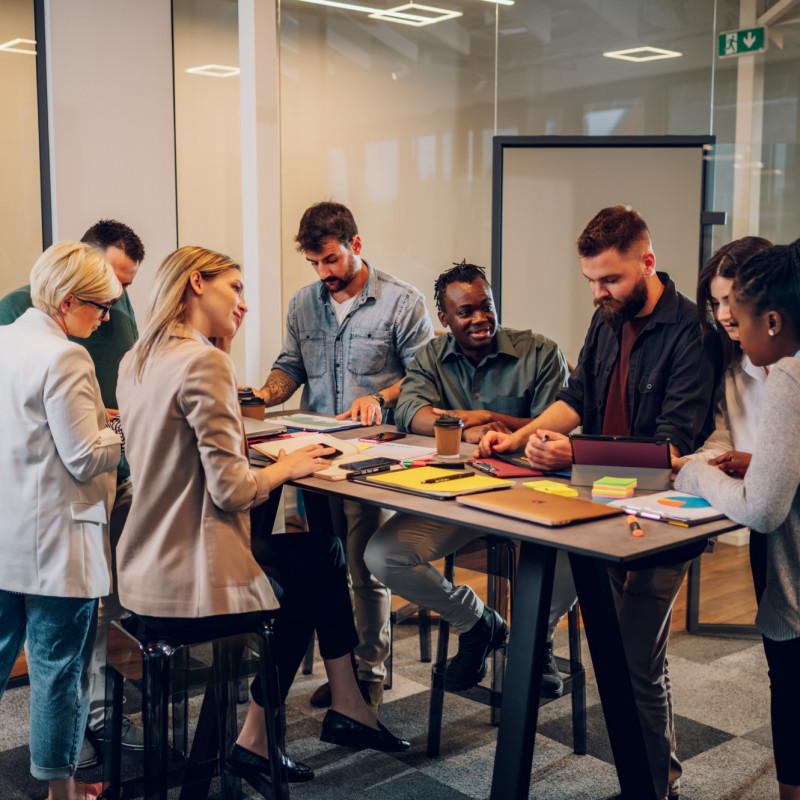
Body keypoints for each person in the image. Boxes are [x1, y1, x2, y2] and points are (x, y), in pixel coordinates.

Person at [115, 247, 409, 791]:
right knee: (304, 580)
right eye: (236, 288)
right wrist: (290, 466)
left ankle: (341, 703)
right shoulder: (204, 363)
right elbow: (232, 491)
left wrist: (221, 347)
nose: (244, 303)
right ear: (197, 284)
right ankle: (263, 736)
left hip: (142, 567)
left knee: (322, 553)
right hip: (191, 576)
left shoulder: (138, 358)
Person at [477, 205, 719, 800]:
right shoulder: (608, 317)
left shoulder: (692, 333)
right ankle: (652, 778)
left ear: (648, 262)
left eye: (609, 279)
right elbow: (578, 394)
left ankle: (656, 787)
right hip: (597, 512)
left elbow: (671, 449)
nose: (597, 292)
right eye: (589, 280)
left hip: (662, 519)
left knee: (636, 658)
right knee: (624, 656)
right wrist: (519, 436)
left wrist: (574, 455)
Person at [253, 201, 433, 710]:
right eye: (313, 263)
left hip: (374, 457)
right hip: (314, 459)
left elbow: (424, 376)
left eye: (330, 260)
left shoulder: (402, 301)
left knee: (363, 565)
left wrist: (380, 398)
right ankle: (343, 670)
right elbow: (290, 366)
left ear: (356, 245)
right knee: (329, 566)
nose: (322, 273)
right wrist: (264, 394)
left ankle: (369, 670)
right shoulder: (303, 303)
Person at [365, 261, 571, 696]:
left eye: (487, 306)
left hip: (533, 491)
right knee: (383, 555)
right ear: (444, 318)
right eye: (466, 312)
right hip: (460, 493)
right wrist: (474, 430)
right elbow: (411, 413)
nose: (480, 319)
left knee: (577, 551)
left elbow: (557, 424)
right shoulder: (430, 358)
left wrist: (492, 418)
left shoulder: (540, 352)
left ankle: (535, 642)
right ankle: (478, 623)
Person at [0, 219, 146, 767]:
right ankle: (61, 787)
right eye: (100, 306)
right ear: (67, 301)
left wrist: (92, 421)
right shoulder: (67, 356)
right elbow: (85, 456)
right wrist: (125, 426)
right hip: (59, 544)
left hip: (7, 535)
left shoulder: (4, 339)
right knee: (60, 673)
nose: (106, 316)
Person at [673, 239, 800, 800]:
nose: (728, 321)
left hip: (784, 545)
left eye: (737, 309)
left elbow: (764, 509)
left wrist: (695, 477)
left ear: (771, 317)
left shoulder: (787, 375)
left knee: (791, 680)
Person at [672, 236, 773, 601]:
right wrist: (684, 465)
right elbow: (723, 438)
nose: (724, 314)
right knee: (775, 631)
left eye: (731, 300)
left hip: (781, 515)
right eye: (716, 303)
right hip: (765, 529)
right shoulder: (733, 366)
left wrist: (757, 465)